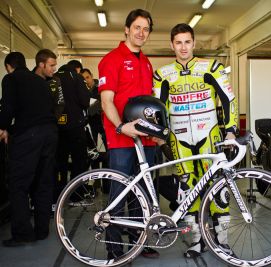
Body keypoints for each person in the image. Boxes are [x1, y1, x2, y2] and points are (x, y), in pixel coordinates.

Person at [153, 23, 239, 258]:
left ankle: (222, 241)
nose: (183, 47)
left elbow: (229, 100)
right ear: (172, 45)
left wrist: (230, 131)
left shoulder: (211, 67)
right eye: (178, 42)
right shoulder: (162, 75)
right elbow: (159, 111)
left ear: (193, 43)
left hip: (210, 139)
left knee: (218, 190)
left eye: (187, 42)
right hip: (179, 142)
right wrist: (161, 140)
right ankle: (196, 241)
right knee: (187, 192)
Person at [98, 8, 159, 259]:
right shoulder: (111, 59)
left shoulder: (145, 61)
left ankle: (139, 241)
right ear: (126, 29)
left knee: (143, 193)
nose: (141, 33)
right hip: (121, 140)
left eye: (146, 29)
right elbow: (106, 101)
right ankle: (115, 250)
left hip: (146, 140)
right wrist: (122, 127)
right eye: (137, 27)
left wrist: (158, 131)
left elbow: (150, 103)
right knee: (119, 195)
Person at [0, 51, 58, 246]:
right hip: (50, 134)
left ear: (9, 66)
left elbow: (8, 108)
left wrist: (4, 127)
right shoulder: (40, 82)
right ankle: (42, 231)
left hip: (29, 136)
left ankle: (23, 234)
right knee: (43, 183)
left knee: (18, 185)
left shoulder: (11, 79)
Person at [54, 60, 90, 205]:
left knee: (58, 163)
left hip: (57, 127)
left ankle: (58, 196)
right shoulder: (76, 77)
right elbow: (85, 101)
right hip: (75, 126)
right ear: (77, 69)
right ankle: (76, 196)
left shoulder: (54, 76)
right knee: (78, 162)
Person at [80, 68, 106, 165]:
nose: (86, 80)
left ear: (92, 76)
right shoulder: (81, 92)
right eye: (84, 79)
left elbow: (101, 106)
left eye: (88, 77)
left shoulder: (100, 89)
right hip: (90, 127)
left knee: (105, 154)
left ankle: (106, 179)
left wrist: (91, 107)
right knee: (93, 154)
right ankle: (95, 179)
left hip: (102, 126)